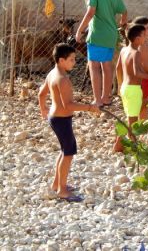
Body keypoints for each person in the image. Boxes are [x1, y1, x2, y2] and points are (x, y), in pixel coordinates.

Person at [38, 43, 100, 202]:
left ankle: (56, 184)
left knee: (64, 150)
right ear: (61, 60)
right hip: (61, 119)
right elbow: (68, 105)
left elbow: (41, 93)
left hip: (55, 117)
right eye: (71, 59)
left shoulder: (52, 73)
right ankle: (62, 190)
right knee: (68, 153)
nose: (74, 62)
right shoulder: (63, 79)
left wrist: (43, 108)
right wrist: (89, 107)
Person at [75, 0, 127, 107]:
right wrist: (122, 23)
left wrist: (80, 30)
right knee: (107, 66)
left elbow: (90, 12)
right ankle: (106, 97)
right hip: (111, 36)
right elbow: (124, 11)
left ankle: (97, 100)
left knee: (94, 67)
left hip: (97, 35)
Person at [113, 24, 148, 152]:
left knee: (133, 114)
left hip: (125, 87)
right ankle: (135, 149)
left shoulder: (124, 50)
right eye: (144, 35)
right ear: (137, 38)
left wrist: (119, 85)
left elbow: (118, 68)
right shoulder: (136, 53)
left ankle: (119, 144)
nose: (145, 38)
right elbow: (137, 73)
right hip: (133, 89)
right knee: (133, 122)